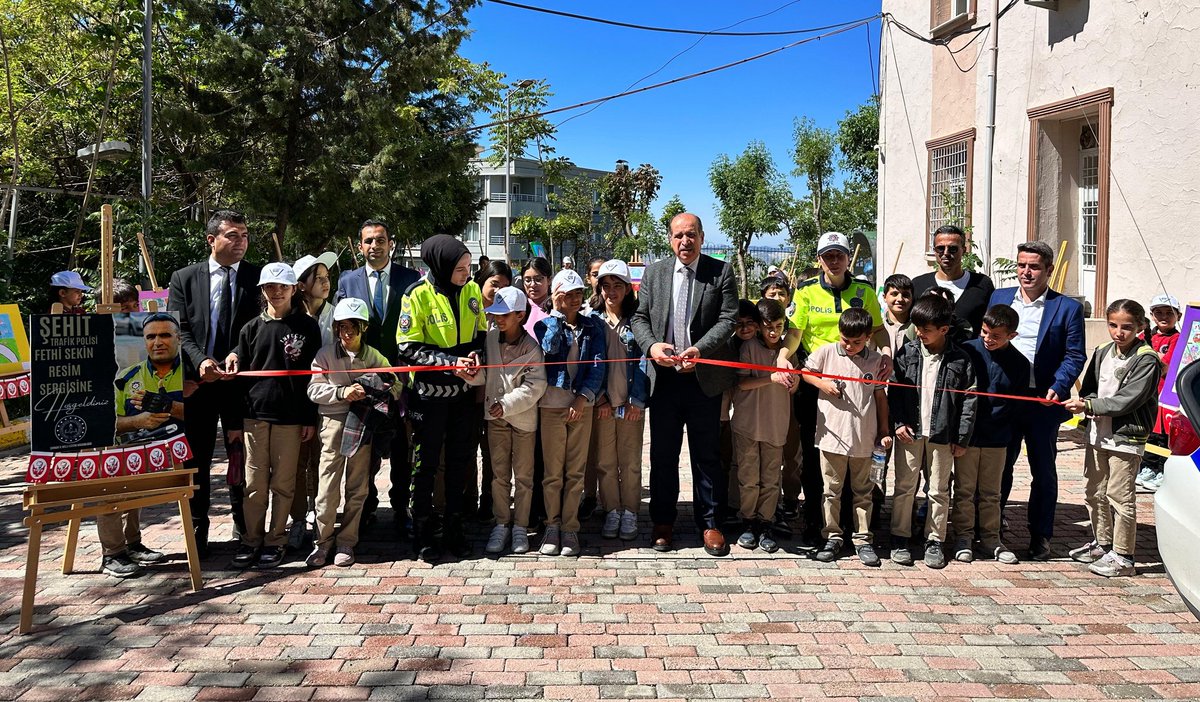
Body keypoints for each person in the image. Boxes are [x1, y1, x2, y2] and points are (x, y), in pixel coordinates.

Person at [631, 212, 738, 557]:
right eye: (678, 235)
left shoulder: (721, 271)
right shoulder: (655, 272)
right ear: (669, 239)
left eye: (691, 234)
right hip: (664, 380)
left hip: (703, 380)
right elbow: (639, 317)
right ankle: (663, 521)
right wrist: (651, 346)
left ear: (702, 237)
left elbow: (728, 318)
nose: (685, 241)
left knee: (706, 456)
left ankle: (710, 523)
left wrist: (700, 350)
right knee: (663, 455)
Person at [168, 209, 262, 557]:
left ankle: (244, 526)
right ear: (211, 239)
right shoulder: (184, 278)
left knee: (242, 455)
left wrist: (238, 351)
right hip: (198, 385)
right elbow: (179, 328)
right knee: (197, 459)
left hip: (241, 384)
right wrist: (200, 361)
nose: (241, 242)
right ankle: (197, 530)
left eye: (245, 235)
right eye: (232, 235)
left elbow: (260, 323)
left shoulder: (257, 277)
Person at [787, 232, 891, 545]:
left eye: (839, 255)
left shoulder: (863, 290)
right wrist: (782, 357)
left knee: (855, 450)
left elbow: (878, 330)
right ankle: (816, 520)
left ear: (848, 258)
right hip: (816, 380)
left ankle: (849, 522)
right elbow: (795, 333)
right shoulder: (806, 290)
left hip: (856, 380)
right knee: (815, 454)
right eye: (828, 256)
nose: (834, 261)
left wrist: (886, 355)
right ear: (819, 259)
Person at [988, 240, 1085, 560]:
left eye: (1034, 267)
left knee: (1043, 471)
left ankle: (1041, 535)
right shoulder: (1000, 297)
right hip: (1006, 399)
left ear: (1049, 270)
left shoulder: (1066, 308)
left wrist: (1059, 385)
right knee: (1000, 467)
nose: (1026, 272)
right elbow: (987, 341)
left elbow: (1074, 355)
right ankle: (992, 528)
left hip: (1044, 402)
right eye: (1021, 265)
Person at [397, 234, 486, 562]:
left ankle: (454, 529)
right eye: (460, 268)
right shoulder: (416, 295)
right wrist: (450, 364)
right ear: (441, 265)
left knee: (460, 462)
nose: (467, 274)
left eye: (469, 267)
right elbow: (407, 347)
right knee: (426, 465)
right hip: (427, 397)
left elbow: (480, 333)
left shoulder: (472, 290)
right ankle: (422, 533)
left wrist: (475, 357)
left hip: (463, 394)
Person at [225, 262, 320, 569]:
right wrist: (235, 422)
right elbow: (238, 380)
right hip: (254, 416)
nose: (276, 292)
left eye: (282, 286)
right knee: (254, 484)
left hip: (291, 418)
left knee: (284, 483)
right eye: (270, 287)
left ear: (294, 289)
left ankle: (276, 539)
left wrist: (309, 418)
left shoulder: (308, 327)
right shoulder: (251, 329)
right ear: (262, 291)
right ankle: (251, 539)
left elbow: (313, 377)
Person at [1063, 299, 1162, 578]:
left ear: (1140, 326)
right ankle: (1103, 544)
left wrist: (1089, 405)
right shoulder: (1103, 350)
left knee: (1120, 496)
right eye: (1113, 325)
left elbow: (1128, 399)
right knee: (1094, 492)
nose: (1119, 332)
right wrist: (1085, 403)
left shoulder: (1147, 359)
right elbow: (1091, 388)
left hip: (1126, 437)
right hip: (1098, 433)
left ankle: (1123, 556)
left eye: (1126, 327)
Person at [336, 220, 420, 534]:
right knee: (365, 448)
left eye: (380, 240)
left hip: (401, 378)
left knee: (402, 448)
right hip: (363, 379)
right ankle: (367, 507)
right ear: (360, 246)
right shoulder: (348, 280)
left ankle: (401, 508)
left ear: (390, 243)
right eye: (369, 241)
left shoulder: (410, 278)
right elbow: (341, 327)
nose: (375, 245)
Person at [305, 298, 400, 568]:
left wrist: (372, 388)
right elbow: (313, 389)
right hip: (333, 424)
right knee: (327, 486)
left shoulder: (374, 356)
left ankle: (347, 541)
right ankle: (322, 542)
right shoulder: (324, 355)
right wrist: (341, 392)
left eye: (353, 327)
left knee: (357, 486)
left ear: (364, 328)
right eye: (342, 327)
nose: (347, 333)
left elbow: (395, 385)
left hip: (362, 423)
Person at [888, 294, 977, 569]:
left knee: (938, 489)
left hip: (943, 435)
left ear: (944, 329)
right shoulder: (907, 353)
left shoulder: (960, 359)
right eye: (917, 327)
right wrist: (898, 423)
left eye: (926, 329)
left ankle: (934, 540)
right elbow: (895, 391)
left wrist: (961, 438)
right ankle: (900, 537)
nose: (919, 333)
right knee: (904, 486)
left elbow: (969, 401)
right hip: (909, 433)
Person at [804, 307, 891, 566]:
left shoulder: (876, 360)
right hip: (832, 437)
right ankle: (832, 536)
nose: (850, 346)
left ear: (868, 337)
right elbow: (805, 372)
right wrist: (822, 384)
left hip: (864, 438)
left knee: (863, 491)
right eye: (845, 340)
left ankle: (863, 539)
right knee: (831, 491)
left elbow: (880, 397)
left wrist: (884, 431)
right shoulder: (827, 352)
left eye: (857, 342)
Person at [464, 286, 547, 555]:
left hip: (523, 421)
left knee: (523, 476)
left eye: (505, 315)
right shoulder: (490, 339)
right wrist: (471, 374)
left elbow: (535, 386)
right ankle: (501, 523)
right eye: (496, 314)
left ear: (520, 315)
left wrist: (506, 404)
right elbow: (486, 375)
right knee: (498, 476)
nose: (498, 319)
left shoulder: (532, 347)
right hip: (495, 419)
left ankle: (520, 526)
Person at [102, 313, 183, 576]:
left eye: (165, 335)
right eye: (151, 336)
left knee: (137, 492)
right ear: (144, 341)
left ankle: (133, 543)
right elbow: (107, 423)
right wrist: (137, 421)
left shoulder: (190, 373)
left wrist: (170, 406)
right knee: (114, 484)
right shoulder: (126, 378)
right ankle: (113, 553)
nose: (158, 342)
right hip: (133, 450)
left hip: (177, 452)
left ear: (178, 339)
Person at [535, 269, 606, 557]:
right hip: (552, 405)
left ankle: (570, 527)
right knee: (553, 473)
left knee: (575, 471)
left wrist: (582, 398)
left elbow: (598, 365)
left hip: (582, 406)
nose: (574, 299)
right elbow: (549, 349)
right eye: (567, 294)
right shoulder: (544, 324)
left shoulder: (593, 326)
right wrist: (555, 313)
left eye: (578, 293)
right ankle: (552, 526)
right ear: (556, 296)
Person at [957, 305, 1029, 565]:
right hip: (967, 435)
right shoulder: (967, 350)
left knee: (991, 492)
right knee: (964, 490)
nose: (988, 339)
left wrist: (1009, 434)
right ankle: (963, 537)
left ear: (1012, 335)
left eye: (996, 336)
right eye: (985, 332)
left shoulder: (1020, 363)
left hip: (998, 437)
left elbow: (1018, 406)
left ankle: (991, 539)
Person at [730, 298, 796, 553]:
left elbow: (795, 384)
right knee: (748, 477)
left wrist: (794, 381)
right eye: (768, 327)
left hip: (775, 423)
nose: (773, 332)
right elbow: (742, 383)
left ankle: (766, 522)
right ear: (759, 326)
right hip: (747, 423)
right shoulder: (749, 347)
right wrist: (771, 378)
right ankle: (748, 521)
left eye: (778, 327)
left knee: (770, 478)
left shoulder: (788, 351)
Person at [590, 260, 648, 542]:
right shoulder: (593, 321)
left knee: (630, 462)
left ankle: (631, 511)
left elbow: (645, 361)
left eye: (617, 286)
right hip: (603, 404)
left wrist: (638, 400)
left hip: (631, 405)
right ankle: (612, 509)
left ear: (627, 289)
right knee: (605, 462)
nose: (611, 292)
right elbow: (590, 362)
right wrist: (600, 398)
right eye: (606, 286)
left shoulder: (638, 321)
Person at [288, 252, 338, 551]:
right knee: (297, 462)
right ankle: (296, 519)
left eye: (327, 277)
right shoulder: (290, 317)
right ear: (301, 285)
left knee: (323, 461)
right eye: (318, 278)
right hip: (296, 400)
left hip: (328, 400)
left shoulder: (336, 314)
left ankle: (321, 517)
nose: (325, 283)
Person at [470, 259, 514, 522]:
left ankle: (488, 499)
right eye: (494, 284)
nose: (498, 291)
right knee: (466, 450)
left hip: (496, 396)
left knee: (492, 453)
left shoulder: (506, 317)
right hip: (468, 395)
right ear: (481, 282)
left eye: (505, 287)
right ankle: (467, 499)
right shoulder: (469, 310)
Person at [912, 225, 995, 338]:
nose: (946, 253)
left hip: (971, 349)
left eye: (953, 249)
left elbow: (992, 323)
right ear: (934, 251)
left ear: (964, 250)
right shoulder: (918, 284)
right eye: (940, 248)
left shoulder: (982, 284)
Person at [1137, 293, 1181, 491]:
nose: (1164, 317)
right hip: (1146, 394)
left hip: (1166, 397)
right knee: (1148, 433)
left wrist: (1151, 357)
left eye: (1169, 313)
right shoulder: (1146, 336)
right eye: (1159, 312)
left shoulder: (1178, 339)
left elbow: (1165, 366)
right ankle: (1147, 467)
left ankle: (1160, 469)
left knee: (1163, 435)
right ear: (1152, 315)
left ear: (1178, 316)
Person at [519, 257, 553, 336]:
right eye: (527, 280)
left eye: (538, 279)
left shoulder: (557, 307)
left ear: (549, 280)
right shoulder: (518, 308)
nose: (532, 285)